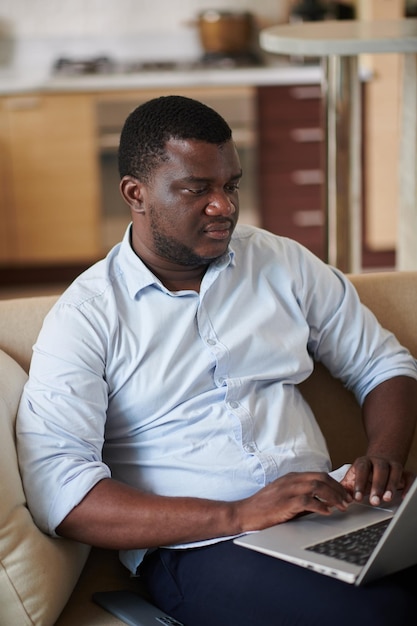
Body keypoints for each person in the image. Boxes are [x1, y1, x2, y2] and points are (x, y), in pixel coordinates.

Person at [17, 95, 417, 626]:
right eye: (196, 188)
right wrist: (240, 513)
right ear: (136, 194)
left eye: (230, 185)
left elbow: (383, 365)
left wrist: (383, 458)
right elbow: (61, 494)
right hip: (201, 548)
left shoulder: (279, 261)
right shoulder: (86, 318)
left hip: (329, 515)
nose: (224, 206)